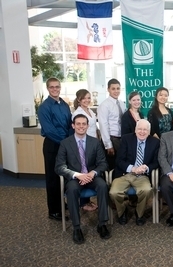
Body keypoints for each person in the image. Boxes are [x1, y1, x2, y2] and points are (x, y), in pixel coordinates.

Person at [55, 114, 110, 244]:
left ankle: (102, 224)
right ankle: (77, 227)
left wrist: (93, 173)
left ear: (88, 125)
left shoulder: (95, 142)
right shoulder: (65, 143)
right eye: (78, 124)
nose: (81, 126)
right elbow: (59, 167)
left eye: (83, 124)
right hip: (75, 178)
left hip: (92, 176)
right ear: (73, 126)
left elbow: (103, 163)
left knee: (103, 186)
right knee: (72, 190)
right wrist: (77, 175)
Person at [109, 119, 160, 226]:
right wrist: (132, 168)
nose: (142, 132)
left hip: (142, 175)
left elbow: (156, 162)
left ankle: (139, 213)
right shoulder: (126, 139)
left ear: (149, 131)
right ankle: (122, 211)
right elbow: (119, 160)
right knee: (114, 192)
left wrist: (146, 167)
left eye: (145, 130)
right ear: (135, 130)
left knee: (146, 190)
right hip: (125, 174)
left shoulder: (155, 142)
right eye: (140, 129)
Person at [37, 77, 73, 221]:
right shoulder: (44, 107)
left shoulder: (63, 104)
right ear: (48, 89)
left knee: (63, 176)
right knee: (53, 178)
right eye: (52, 87)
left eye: (57, 86)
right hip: (53, 145)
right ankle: (54, 211)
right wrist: (65, 143)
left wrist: (70, 140)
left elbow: (70, 124)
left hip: (64, 143)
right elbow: (49, 130)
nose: (55, 89)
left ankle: (61, 204)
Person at [72, 89, 98, 211]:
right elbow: (80, 129)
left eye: (88, 97)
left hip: (94, 143)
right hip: (84, 144)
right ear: (79, 100)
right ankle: (83, 202)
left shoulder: (90, 111)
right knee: (84, 168)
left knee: (91, 169)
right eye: (84, 98)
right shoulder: (77, 113)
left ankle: (88, 201)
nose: (87, 100)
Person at [97, 78, 126, 173]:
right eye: (113, 88)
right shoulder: (104, 105)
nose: (116, 91)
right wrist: (108, 145)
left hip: (121, 138)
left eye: (118, 88)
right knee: (112, 166)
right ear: (108, 89)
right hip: (111, 138)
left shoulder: (121, 103)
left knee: (121, 164)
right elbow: (103, 125)